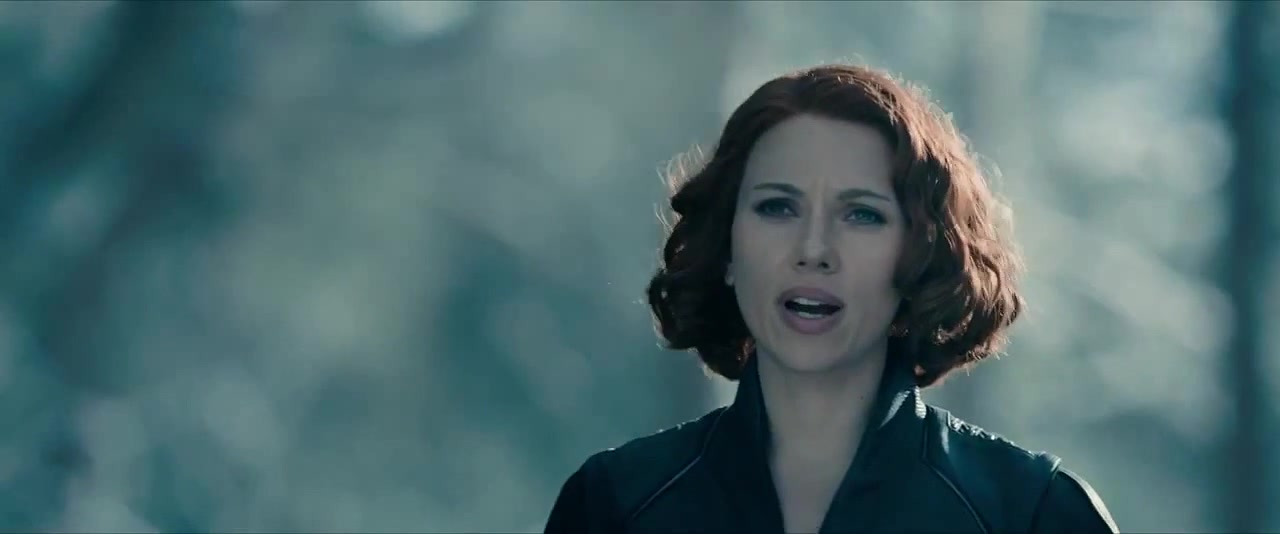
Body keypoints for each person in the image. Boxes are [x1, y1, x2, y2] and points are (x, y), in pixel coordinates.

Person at [543, 64, 1119, 534]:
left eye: (861, 215)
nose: (813, 250)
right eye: (777, 207)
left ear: (920, 254)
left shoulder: (1031, 514)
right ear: (726, 246)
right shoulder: (615, 505)